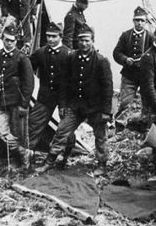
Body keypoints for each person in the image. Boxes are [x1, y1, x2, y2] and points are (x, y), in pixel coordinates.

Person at [39, 24, 113, 173]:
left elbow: (108, 88)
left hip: (95, 107)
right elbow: (64, 83)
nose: (84, 44)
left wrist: (106, 111)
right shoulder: (71, 57)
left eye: (87, 40)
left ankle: (102, 164)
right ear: (77, 41)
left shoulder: (101, 61)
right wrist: (63, 106)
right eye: (81, 40)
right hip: (75, 106)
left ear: (92, 41)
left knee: (100, 136)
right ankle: (50, 161)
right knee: (61, 132)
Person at [0, 24, 34, 168]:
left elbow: (28, 83)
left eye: (12, 40)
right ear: (2, 38)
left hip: (16, 103)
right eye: (6, 39)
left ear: (16, 41)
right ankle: (24, 152)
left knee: (18, 133)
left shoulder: (22, 58)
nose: (9, 43)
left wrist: (24, 104)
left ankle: (21, 161)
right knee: (1, 132)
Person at [28, 22, 72, 151]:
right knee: (33, 126)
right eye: (48, 36)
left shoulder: (69, 54)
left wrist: (65, 103)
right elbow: (27, 68)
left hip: (64, 100)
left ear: (61, 37)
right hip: (44, 98)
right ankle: (27, 155)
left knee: (67, 129)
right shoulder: (41, 53)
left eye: (54, 36)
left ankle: (66, 156)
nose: (50, 39)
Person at [113, 7, 153, 120]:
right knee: (125, 103)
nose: (139, 23)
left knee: (147, 104)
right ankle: (120, 129)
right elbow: (117, 52)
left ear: (145, 22)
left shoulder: (151, 37)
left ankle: (144, 129)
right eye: (137, 20)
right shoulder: (126, 35)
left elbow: (155, 55)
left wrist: (146, 62)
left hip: (145, 76)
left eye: (142, 20)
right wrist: (125, 59)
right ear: (133, 21)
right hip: (129, 75)